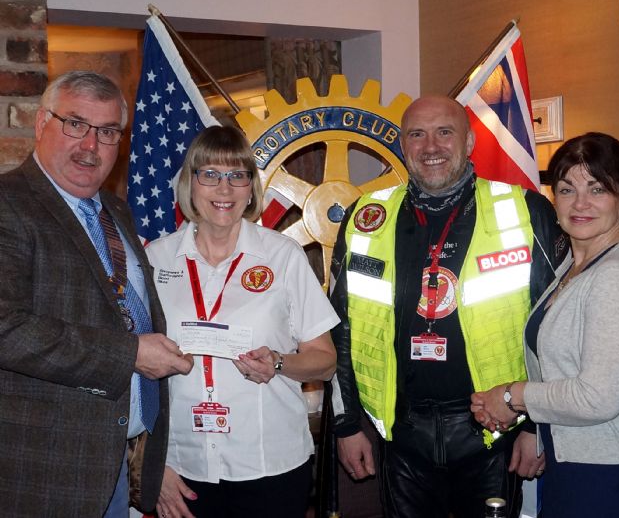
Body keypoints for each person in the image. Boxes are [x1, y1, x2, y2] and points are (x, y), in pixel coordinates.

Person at [330, 95, 566, 517]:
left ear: (470, 141)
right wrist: (347, 425)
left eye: (445, 132)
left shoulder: (526, 211)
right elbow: (340, 330)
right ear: (403, 146)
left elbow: (554, 331)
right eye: (417, 135)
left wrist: (538, 427)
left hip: (496, 431)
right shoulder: (366, 216)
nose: (431, 147)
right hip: (401, 436)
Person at [0, 70, 194, 516]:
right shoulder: (8, 204)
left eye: (107, 132)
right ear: (41, 124)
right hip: (39, 472)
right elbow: (6, 328)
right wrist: (129, 354)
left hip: (111, 466)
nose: (91, 146)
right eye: (75, 124)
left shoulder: (116, 211)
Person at [146, 125, 339, 518]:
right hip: (182, 466)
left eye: (237, 175)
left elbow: (325, 359)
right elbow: (134, 370)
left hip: (269, 466)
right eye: (210, 174)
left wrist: (279, 363)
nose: (224, 188)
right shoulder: (155, 259)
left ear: (251, 188)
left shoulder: (283, 256)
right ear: (190, 184)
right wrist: (151, 464)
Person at [470, 132, 619, 516]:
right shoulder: (575, 267)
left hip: (601, 474)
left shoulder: (617, 276)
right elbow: (561, 368)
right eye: (567, 189)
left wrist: (512, 397)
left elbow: (600, 397)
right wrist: (533, 429)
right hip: (569, 461)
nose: (580, 203)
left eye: (597, 189)